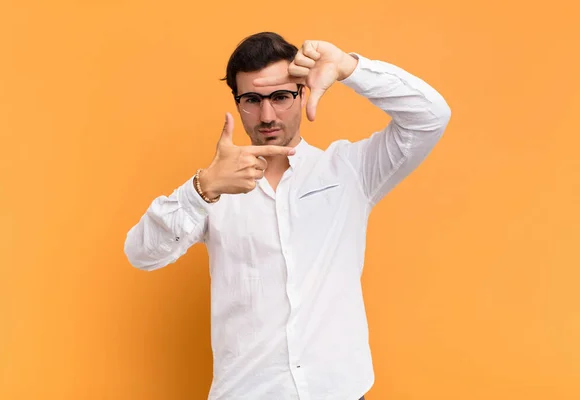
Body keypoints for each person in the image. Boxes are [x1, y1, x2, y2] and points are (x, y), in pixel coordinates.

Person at [124, 31, 451, 400]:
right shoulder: (215, 187)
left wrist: (348, 68)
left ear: (303, 92)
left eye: (280, 97)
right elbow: (141, 254)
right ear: (237, 100)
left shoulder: (349, 170)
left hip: (340, 390)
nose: (267, 115)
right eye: (252, 99)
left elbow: (431, 116)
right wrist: (201, 190)